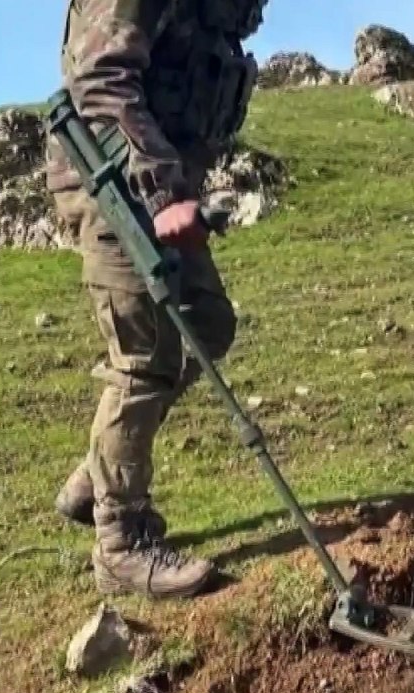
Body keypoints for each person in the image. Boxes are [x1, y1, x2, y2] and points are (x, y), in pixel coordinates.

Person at [44, 0, 264, 600]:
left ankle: (101, 471)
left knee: (208, 325)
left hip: (153, 186)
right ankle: (121, 542)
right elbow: (100, 76)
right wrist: (165, 190)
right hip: (112, 182)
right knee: (145, 356)